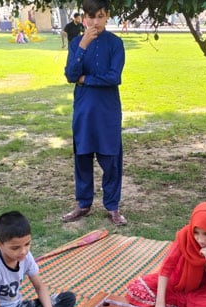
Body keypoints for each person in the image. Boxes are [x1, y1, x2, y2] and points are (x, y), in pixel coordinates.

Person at [62, 0, 127, 226]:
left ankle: (113, 207)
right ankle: (83, 204)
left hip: (107, 111)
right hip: (83, 110)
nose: (95, 22)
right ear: (84, 18)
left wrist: (85, 79)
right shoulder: (76, 44)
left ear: (107, 16)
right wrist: (83, 46)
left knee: (111, 160)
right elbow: (70, 74)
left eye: (99, 16)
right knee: (82, 157)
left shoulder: (116, 44)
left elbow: (113, 77)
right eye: (91, 17)